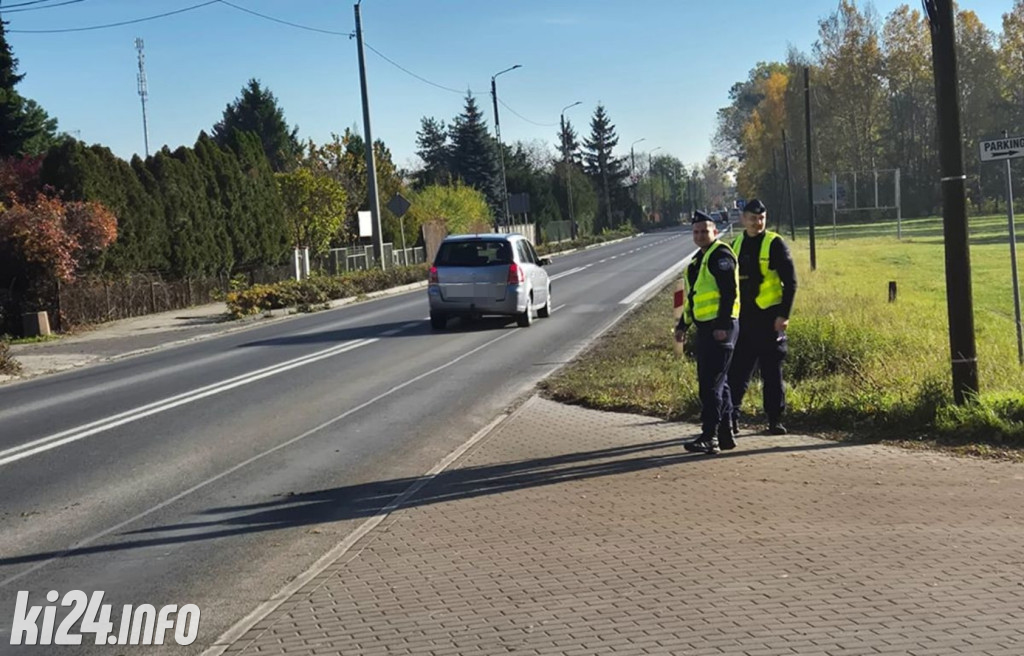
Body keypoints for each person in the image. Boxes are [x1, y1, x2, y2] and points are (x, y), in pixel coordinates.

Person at [727, 198, 797, 436]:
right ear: (743, 219)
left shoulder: (775, 244)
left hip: (769, 319)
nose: (757, 222)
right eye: (753, 218)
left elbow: (791, 282)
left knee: (772, 372)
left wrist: (783, 315)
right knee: (737, 371)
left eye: (761, 218)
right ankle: (731, 418)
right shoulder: (735, 245)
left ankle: (774, 420)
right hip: (743, 320)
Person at [674, 211, 740, 455]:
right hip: (705, 328)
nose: (700, 235)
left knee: (710, 385)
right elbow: (693, 300)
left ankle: (709, 436)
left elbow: (729, 293)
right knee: (719, 384)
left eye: (705, 231)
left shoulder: (720, 256)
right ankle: (725, 433)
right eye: (696, 231)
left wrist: (722, 325)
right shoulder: (696, 262)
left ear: (714, 231)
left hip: (721, 328)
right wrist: (683, 325)